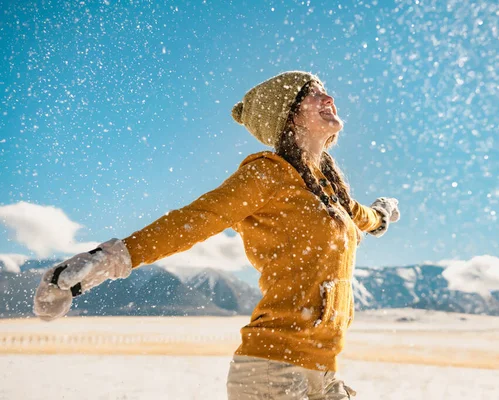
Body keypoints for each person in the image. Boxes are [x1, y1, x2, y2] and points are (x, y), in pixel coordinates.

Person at [33, 71, 400, 399]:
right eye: (312, 93)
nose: (327, 97)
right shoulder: (267, 174)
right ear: (288, 116)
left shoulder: (329, 192)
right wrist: (111, 257)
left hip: (323, 372)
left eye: (325, 90)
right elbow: (196, 219)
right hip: (272, 373)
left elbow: (361, 217)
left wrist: (381, 216)